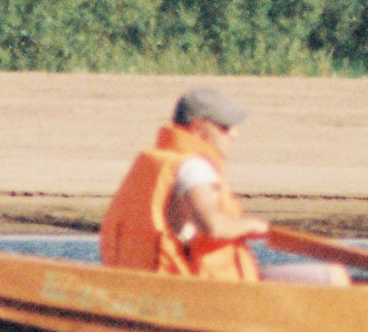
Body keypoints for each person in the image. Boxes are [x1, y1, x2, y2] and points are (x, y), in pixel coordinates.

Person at [100, 86, 265, 279]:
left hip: (139, 278)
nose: (234, 134)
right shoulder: (194, 167)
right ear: (198, 128)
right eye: (224, 127)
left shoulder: (162, 159)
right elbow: (214, 226)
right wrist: (254, 226)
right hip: (193, 287)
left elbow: (183, 227)